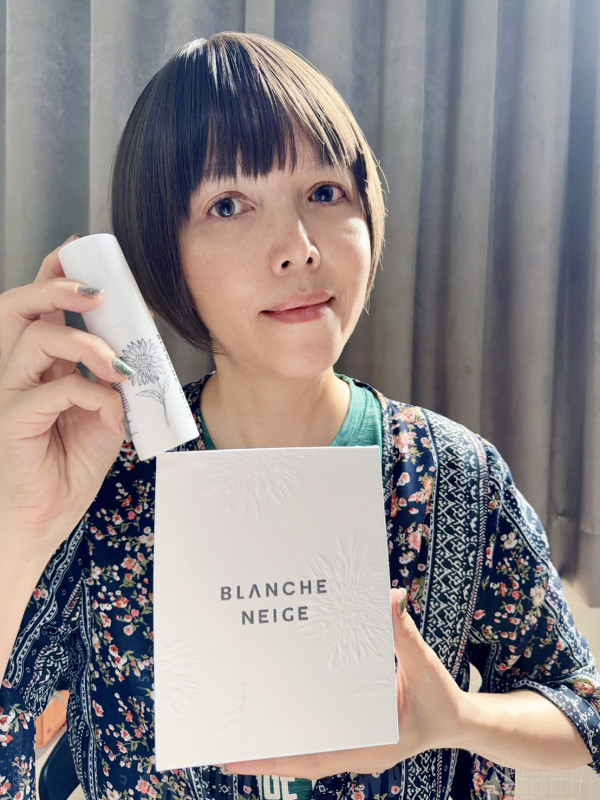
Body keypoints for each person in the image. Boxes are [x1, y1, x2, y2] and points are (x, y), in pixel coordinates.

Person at [0, 31, 598, 800]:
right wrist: (22, 523)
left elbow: (584, 707)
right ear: (160, 254)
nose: (299, 248)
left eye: (324, 192)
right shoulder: (103, 484)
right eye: (228, 205)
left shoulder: (455, 476)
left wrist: (455, 720)